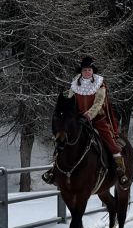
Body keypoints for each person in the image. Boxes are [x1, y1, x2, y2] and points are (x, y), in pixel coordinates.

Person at [42, 56, 127, 185]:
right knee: (63, 138)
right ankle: (54, 169)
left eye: (89, 70)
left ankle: (121, 171)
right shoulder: (75, 83)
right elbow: (71, 100)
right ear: (81, 71)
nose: (87, 72)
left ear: (93, 71)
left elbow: (98, 103)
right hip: (78, 119)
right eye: (85, 70)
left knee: (110, 142)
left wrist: (87, 116)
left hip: (97, 119)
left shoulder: (100, 84)